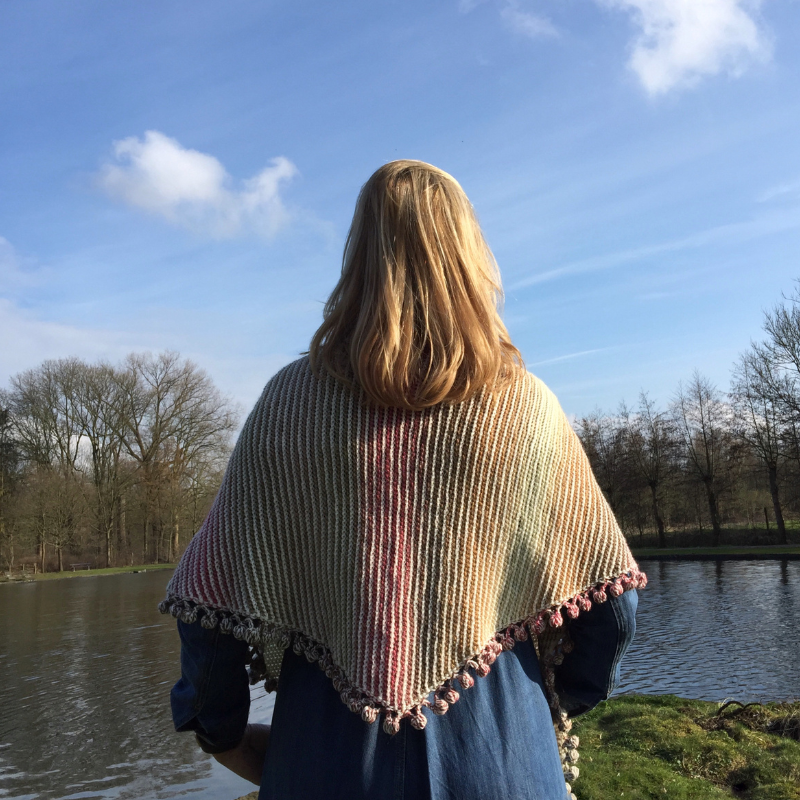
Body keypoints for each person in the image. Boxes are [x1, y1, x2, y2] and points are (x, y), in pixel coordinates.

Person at [162, 160, 644, 800]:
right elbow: (611, 606)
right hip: (502, 756)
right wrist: (555, 701)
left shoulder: (287, 405)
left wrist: (219, 730)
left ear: (359, 257)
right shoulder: (525, 408)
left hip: (321, 761)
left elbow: (209, 606)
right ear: (471, 258)